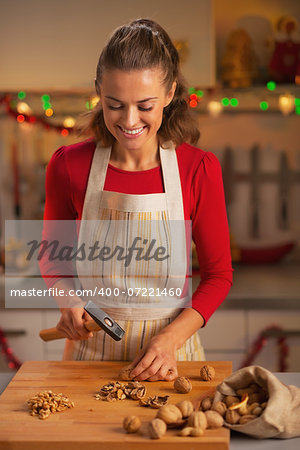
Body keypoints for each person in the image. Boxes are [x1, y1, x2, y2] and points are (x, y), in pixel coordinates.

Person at [40, 18, 233, 381]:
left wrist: (170, 339)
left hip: (172, 358)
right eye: (114, 105)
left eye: (145, 105)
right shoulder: (68, 166)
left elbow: (219, 275)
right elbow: (54, 258)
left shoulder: (199, 169)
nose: (130, 121)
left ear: (171, 92)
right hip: (88, 359)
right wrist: (68, 299)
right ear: (99, 91)